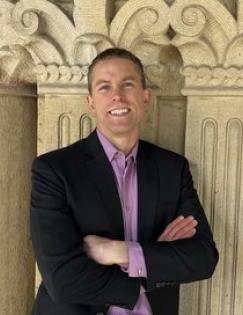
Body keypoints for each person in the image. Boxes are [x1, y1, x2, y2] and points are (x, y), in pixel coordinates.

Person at [30, 48, 218, 315]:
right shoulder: (54, 170)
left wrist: (119, 251)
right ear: (91, 102)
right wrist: (153, 261)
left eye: (127, 84)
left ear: (145, 97)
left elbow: (202, 258)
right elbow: (62, 280)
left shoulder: (172, 168)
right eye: (104, 87)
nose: (117, 95)